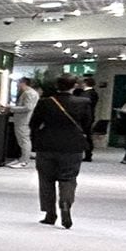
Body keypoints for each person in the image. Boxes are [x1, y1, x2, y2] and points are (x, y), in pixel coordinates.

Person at [31, 76, 89, 228]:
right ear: (74, 86)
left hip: (46, 145)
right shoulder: (83, 102)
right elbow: (87, 125)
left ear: (57, 85)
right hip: (72, 146)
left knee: (46, 180)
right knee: (69, 178)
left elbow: (34, 124)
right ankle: (65, 203)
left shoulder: (45, 102)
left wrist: (37, 139)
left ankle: (50, 214)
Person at [9, 77, 39, 166]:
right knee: (22, 140)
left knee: (24, 140)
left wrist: (11, 108)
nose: (17, 85)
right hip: (22, 120)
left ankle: (24, 160)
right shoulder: (29, 93)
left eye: (18, 83)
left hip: (24, 120)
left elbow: (28, 107)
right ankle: (22, 158)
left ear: (23, 83)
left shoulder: (29, 93)